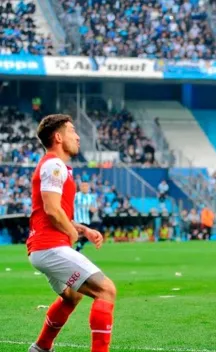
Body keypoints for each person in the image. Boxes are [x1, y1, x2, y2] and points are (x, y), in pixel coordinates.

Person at [27, 114, 117, 352]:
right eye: (72, 131)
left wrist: (82, 229)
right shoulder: (54, 165)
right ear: (58, 137)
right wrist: (71, 232)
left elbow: (53, 212)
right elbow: (52, 210)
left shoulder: (54, 165)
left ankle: (41, 347)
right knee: (106, 290)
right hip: (50, 246)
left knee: (72, 296)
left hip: (43, 247)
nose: (78, 136)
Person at [74, 181, 98, 252]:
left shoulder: (91, 197)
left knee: (87, 236)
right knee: (75, 235)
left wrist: (92, 209)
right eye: (83, 186)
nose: (85, 188)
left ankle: (78, 248)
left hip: (86, 220)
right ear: (80, 187)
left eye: (86, 186)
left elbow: (94, 208)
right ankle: (73, 249)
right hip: (77, 220)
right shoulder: (76, 196)